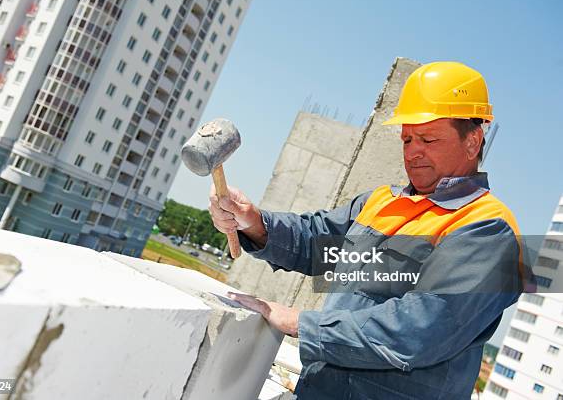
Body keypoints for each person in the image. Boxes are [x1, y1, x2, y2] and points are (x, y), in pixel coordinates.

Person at [208, 62, 525, 399]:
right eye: (407, 139)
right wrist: (253, 222)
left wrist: (302, 323)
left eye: (429, 138)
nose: (413, 151)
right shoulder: (382, 202)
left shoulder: (489, 230)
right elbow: (315, 242)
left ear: (473, 141)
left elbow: (419, 329)